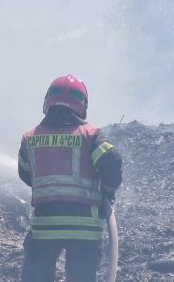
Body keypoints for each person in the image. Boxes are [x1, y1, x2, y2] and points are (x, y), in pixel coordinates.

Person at [18, 74, 122, 282]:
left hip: (44, 228)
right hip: (84, 229)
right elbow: (112, 160)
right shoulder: (90, 135)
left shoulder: (30, 138)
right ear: (82, 105)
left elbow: (25, 174)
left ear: (47, 101)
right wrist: (107, 192)